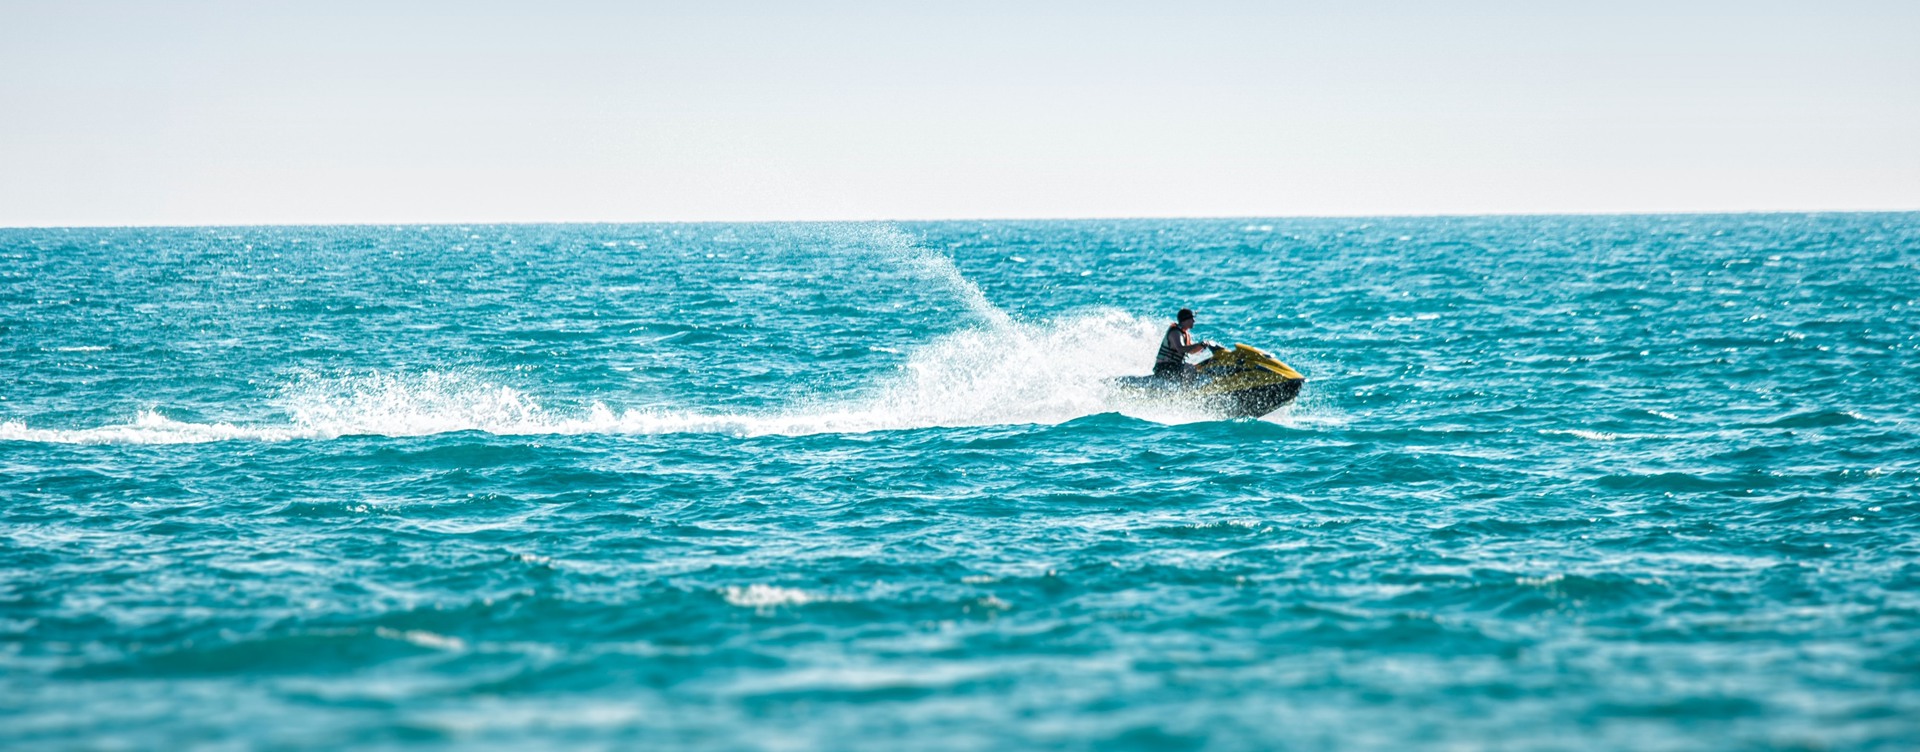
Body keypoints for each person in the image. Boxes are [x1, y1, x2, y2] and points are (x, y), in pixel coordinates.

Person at [1153, 308, 1219, 380]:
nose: (1194, 321)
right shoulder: (1175, 332)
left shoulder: (1185, 334)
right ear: (1185, 320)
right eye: (1192, 319)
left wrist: (1202, 346)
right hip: (1164, 367)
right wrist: (1199, 344)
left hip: (1174, 367)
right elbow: (1180, 349)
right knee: (1190, 368)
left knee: (1199, 367)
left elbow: (1191, 351)